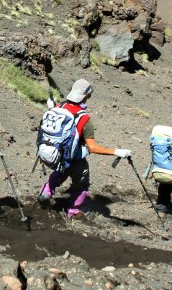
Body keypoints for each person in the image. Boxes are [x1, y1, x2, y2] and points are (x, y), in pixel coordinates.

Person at [37, 79, 132, 219]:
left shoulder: (59, 106)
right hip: (75, 158)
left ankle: (46, 193)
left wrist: (52, 108)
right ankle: (73, 211)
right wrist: (117, 152)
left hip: (58, 153)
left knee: (61, 171)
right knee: (82, 183)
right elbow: (92, 147)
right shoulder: (84, 118)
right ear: (86, 95)